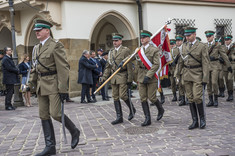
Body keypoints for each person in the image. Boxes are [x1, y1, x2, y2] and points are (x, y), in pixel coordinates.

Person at [30, 19, 80, 156]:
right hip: (41, 85)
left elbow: (63, 69)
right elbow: (35, 68)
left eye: (39, 30)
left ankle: (74, 130)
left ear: (47, 30)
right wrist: (31, 84)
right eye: (36, 30)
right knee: (43, 115)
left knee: (56, 113)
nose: (37, 32)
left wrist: (63, 89)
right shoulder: (36, 48)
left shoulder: (56, 46)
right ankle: (50, 146)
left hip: (53, 84)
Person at [176, 27, 209, 130]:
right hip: (186, 74)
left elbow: (206, 63)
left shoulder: (201, 46)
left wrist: (205, 79)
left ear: (194, 34)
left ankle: (202, 119)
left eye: (189, 35)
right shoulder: (184, 46)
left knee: (197, 97)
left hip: (197, 74)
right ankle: (195, 120)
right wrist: (177, 74)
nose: (187, 37)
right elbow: (181, 61)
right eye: (186, 35)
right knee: (190, 98)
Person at [100, 33, 136, 125]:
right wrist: (104, 77)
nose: (114, 42)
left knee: (123, 95)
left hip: (123, 76)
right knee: (115, 97)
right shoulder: (111, 52)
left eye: (116, 41)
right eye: (113, 41)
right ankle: (119, 117)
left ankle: (132, 109)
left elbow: (129, 65)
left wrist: (130, 79)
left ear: (120, 41)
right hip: (113, 77)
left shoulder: (125, 50)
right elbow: (108, 66)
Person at [134, 30, 165, 126]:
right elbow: (137, 63)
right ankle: (147, 118)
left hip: (151, 77)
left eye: (144, 37)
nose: (142, 39)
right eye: (141, 37)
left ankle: (160, 109)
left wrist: (148, 75)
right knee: (143, 98)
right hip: (141, 76)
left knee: (152, 97)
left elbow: (156, 64)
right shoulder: (139, 50)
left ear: (148, 38)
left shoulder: (154, 50)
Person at [204, 31, 231, 107]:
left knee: (214, 82)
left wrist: (228, 65)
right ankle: (210, 100)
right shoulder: (205, 45)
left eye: (209, 36)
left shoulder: (217, 45)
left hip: (215, 65)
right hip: (207, 66)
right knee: (208, 83)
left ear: (213, 36)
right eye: (207, 37)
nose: (208, 38)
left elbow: (224, 55)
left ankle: (216, 99)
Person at [173, 34, 187, 106]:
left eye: (179, 41)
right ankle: (182, 98)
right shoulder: (175, 49)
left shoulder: (185, 48)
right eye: (177, 41)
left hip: (184, 68)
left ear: (182, 41)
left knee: (184, 83)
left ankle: (187, 97)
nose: (178, 42)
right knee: (179, 84)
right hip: (177, 69)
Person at [223, 35, 234, 101]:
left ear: (230, 40)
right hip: (225, 66)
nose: (227, 41)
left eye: (228, 40)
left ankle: (231, 95)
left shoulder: (233, 47)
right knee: (226, 80)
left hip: (232, 65)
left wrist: (232, 58)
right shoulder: (223, 47)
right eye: (226, 40)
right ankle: (229, 94)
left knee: (230, 79)